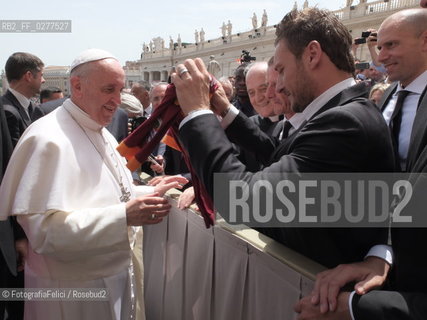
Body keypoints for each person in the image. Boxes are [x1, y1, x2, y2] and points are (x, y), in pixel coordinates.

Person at [171, 7, 394, 270]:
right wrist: (224, 110)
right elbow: (280, 153)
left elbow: (242, 200)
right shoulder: (340, 113)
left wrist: (198, 114)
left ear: (312, 55)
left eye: (281, 69)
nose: (276, 86)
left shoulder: (345, 122)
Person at [0, 49, 187, 320]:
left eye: (120, 90)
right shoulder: (47, 139)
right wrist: (123, 215)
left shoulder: (99, 130)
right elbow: (44, 233)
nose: (117, 100)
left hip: (113, 277)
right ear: (77, 86)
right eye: (108, 89)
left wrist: (148, 191)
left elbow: (104, 194)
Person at [295, 8, 427, 320]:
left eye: (391, 45)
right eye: (379, 47)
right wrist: (382, 252)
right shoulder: (391, 94)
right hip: (383, 266)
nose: (381, 56)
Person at [1, 52, 45, 146]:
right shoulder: (7, 112)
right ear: (28, 76)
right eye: (41, 75)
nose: (43, 80)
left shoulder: (33, 108)